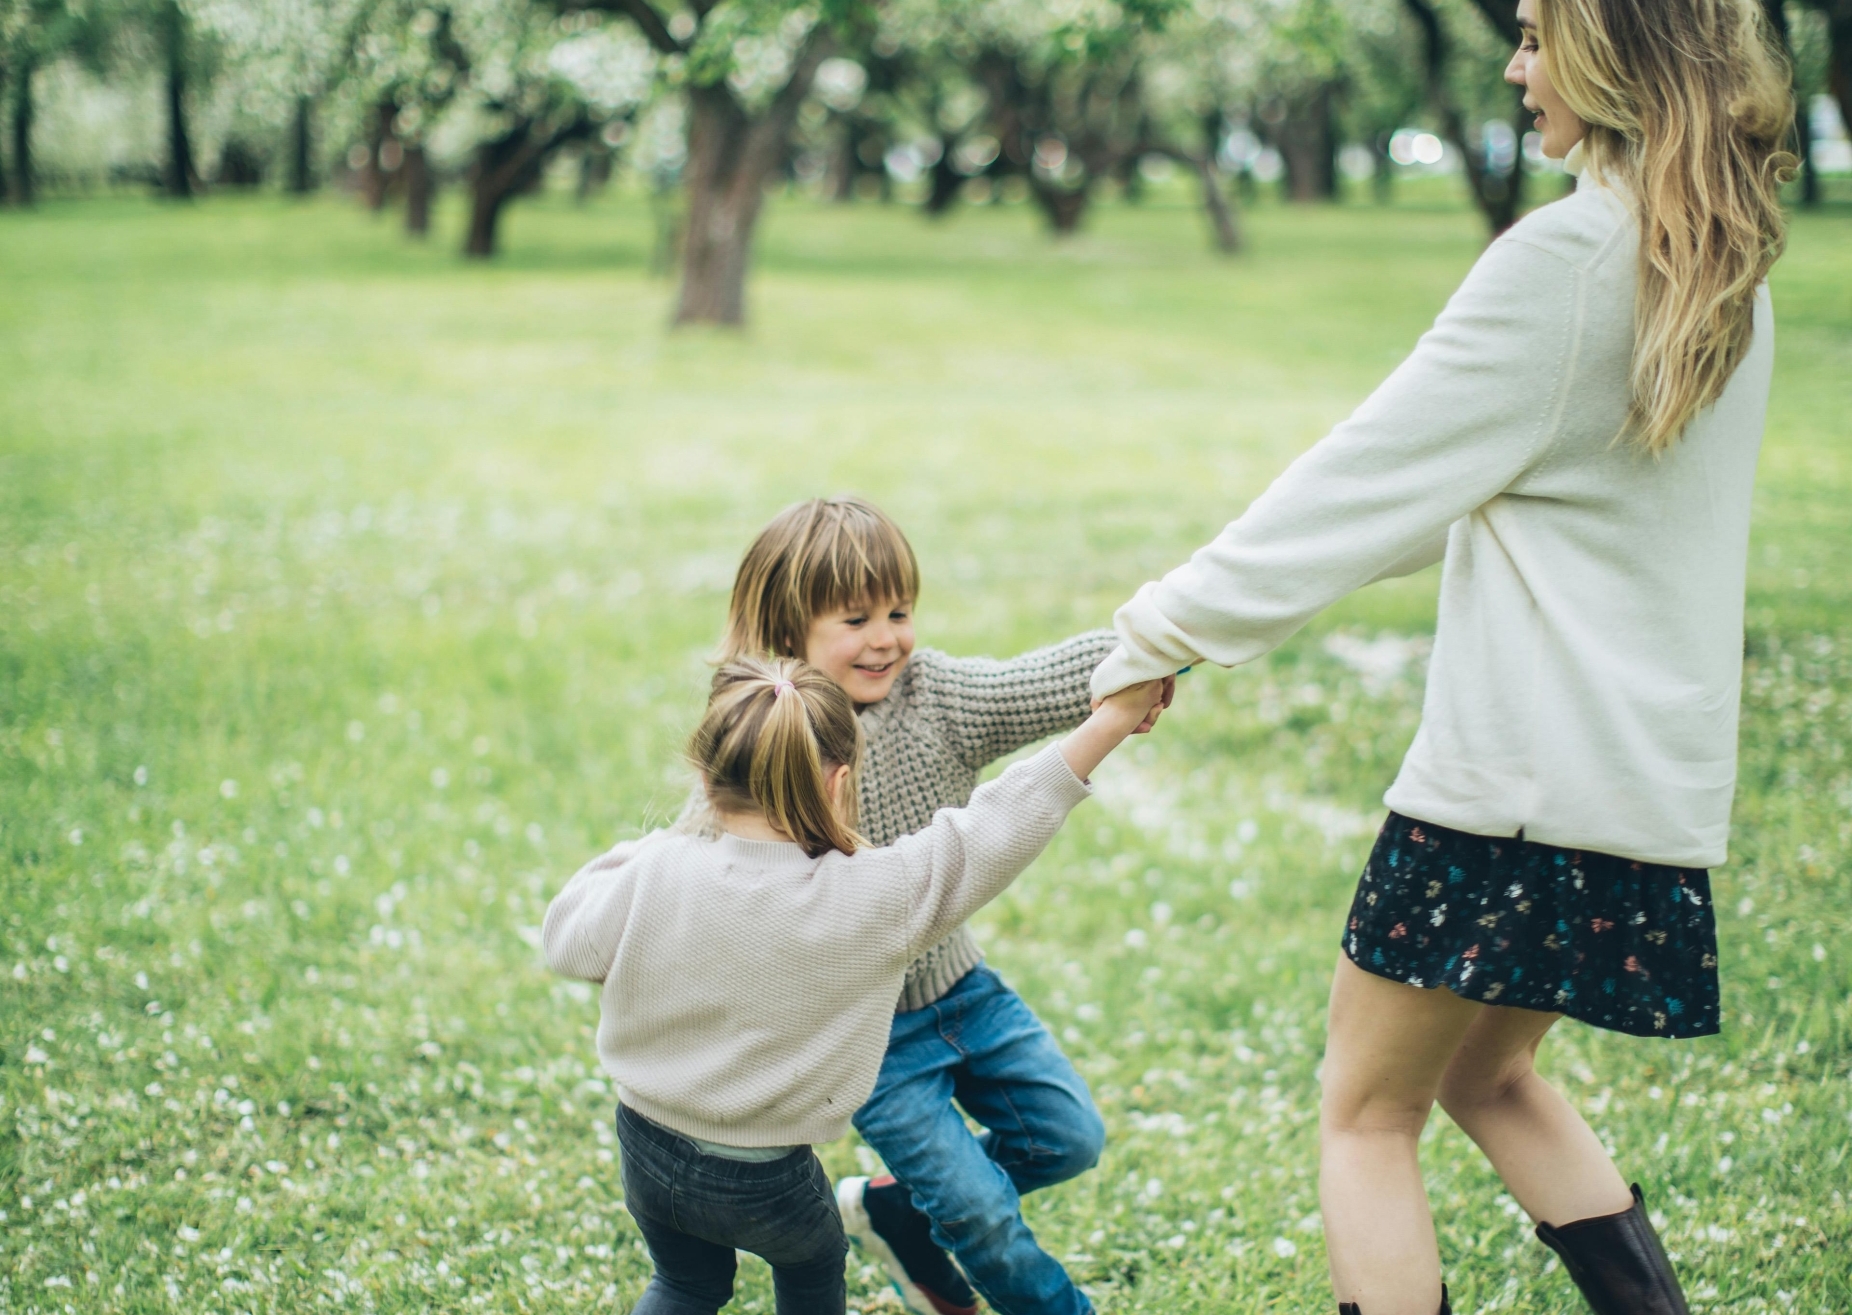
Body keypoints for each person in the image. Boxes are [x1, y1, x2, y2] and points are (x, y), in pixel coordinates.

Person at [1086, 0, 1794, 1310]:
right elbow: (1468, 489)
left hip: (1507, 796)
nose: (1517, 68)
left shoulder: (1571, 261)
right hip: (1639, 795)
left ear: (1614, 48)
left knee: (1364, 1112)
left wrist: (1153, 633)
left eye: (1535, 35)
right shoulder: (1717, 262)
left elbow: (1354, 485)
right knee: (1489, 1073)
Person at [544, 656, 1165, 1315]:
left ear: (704, 777)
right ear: (840, 783)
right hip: (770, 1181)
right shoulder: (872, 894)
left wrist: (661, 845)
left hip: (646, 1152)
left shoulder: (656, 870)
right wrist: (1113, 719)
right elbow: (991, 830)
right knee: (812, 1271)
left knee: (685, 1285)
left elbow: (566, 938)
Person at [695, 496, 1169, 1315]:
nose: (886, 637)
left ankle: (892, 1211)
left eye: (899, 610)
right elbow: (715, 858)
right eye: (855, 618)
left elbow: (1039, 680)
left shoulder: (937, 695)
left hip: (964, 992)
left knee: (1068, 1137)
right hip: (869, 1035)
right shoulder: (772, 731)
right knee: (980, 1213)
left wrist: (1148, 652)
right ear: (787, 631)